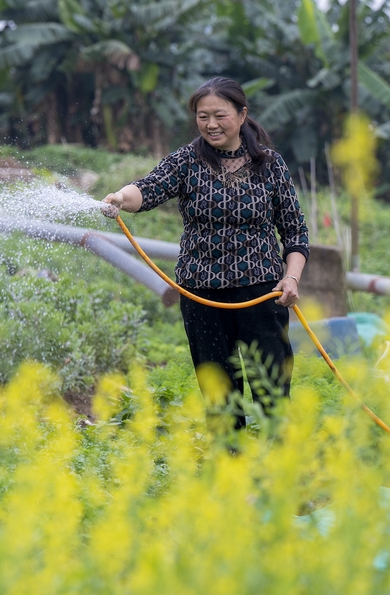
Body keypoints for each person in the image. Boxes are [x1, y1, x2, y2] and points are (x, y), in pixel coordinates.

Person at [102, 76, 310, 431]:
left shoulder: (270, 165)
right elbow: (149, 188)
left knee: (273, 386)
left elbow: (295, 231)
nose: (211, 124)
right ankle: (231, 466)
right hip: (200, 292)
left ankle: (283, 469)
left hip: (261, 293)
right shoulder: (187, 160)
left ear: (242, 115)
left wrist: (290, 278)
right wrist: (121, 197)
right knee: (219, 390)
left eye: (220, 115)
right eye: (202, 116)